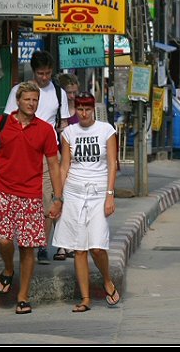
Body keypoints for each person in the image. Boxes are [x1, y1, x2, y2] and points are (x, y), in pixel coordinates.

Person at [0, 82, 62, 314]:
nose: (32, 103)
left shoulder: (45, 129)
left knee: (27, 247)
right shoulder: (2, 123)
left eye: (35, 100)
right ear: (18, 101)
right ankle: (7, 269)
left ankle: (23, 296)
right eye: (27, 99)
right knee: (4, 240)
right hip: (1, 190)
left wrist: (57, 198)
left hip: (31, 195)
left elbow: (54, 165)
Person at [51, 92, 121, 312]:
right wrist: (59, 197)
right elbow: (64, 166)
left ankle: (107, 280)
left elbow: (112, 163)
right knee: (79, 248)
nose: (83, 113)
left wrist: (110, 194)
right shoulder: (69, 132)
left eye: (87, 109)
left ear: (93, 109)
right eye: (79, 109)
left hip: (98, 192)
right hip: (73, 192)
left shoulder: (106, 130)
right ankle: (85, 298)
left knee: (97, 247)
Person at [4, 50, 70, 265]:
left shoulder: (58, 93)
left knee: (48, 199)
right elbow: (8, 122)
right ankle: (22, 241)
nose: (44, 77)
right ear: (33, 72)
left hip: (47, 153)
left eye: (48, 73)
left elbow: (65, 126)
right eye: (41, 73)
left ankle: (42, 244)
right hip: (20, 153)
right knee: (20, 199)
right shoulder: (19, 91)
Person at [55, 72, 81, 260]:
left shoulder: (82, 110)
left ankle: (72, 243)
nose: (71, 96)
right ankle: (61, 246)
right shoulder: (57, 110)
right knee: (59, 200)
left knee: (74, 206)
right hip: (58, 159)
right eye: (68, 92)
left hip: (78, 163)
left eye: (74, 92)